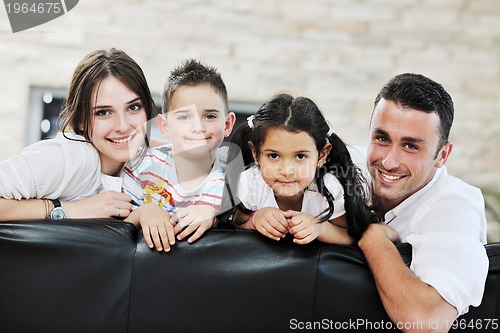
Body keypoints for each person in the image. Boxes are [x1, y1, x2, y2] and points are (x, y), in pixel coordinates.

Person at [358, 73, 488, 332]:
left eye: (410, 146)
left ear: (442, 155)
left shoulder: (456, 206)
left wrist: (372, 238)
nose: (389, 162)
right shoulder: (349, 170)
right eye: (382, 139)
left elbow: (427, 322)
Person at [0, 48, 157, 221]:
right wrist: (68, 209)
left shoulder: (152, 159)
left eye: (134, 107)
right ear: (81, 120)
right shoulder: (69, 157)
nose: (123, 126)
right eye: (103, 112)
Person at [123, 59, 239, 252]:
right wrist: (144, 212)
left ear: (227, 124)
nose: (198, 128)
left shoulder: (234, 179)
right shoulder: (142, 166)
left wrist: (214, 217)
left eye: (210, 116)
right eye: (184, 117)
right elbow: (113, 233)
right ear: (165, 126)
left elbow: (242, 231)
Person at [231, 93, 378, 244]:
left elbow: (351, 237)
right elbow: (230, 230)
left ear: (322, 155)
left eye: (300, 156)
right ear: (256, 154)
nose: (287, 171)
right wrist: (255, 220)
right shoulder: (250, 183)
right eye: (273, 156)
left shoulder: (329, 190)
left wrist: (320, 228)